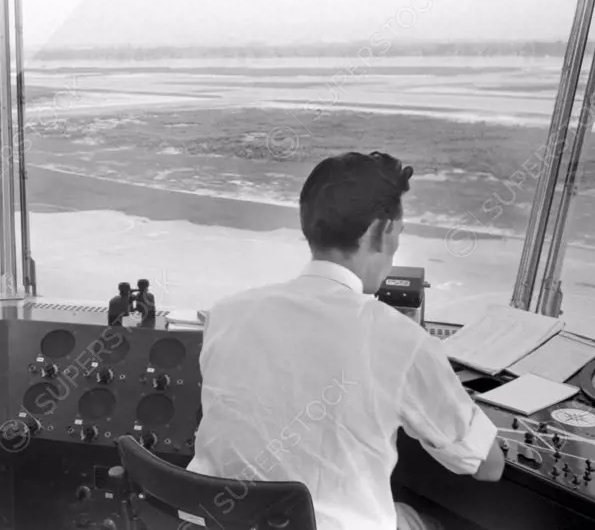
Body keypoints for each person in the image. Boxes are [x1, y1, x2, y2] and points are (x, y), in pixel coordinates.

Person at [188, 151, 505, 530]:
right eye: (399, 234)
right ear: (382, 231)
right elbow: (487, 466)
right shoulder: (402, 341)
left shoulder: (224, 315)